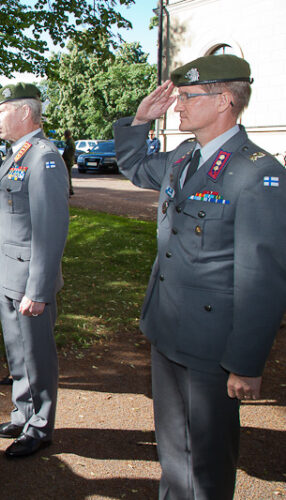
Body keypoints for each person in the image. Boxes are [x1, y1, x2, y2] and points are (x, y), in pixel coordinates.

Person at [113, 54, 286, 498]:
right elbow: (134, 168)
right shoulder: (185, 156)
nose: (178, 106)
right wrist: (138, 120)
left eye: (188, 97)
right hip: (167, 326)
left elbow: (262, 277)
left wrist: (245, 362)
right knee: (174, 450)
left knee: (206, 459)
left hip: (212, 342)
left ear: (225, 100)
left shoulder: (257, 172)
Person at [0, 83, 70, 458]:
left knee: (37, 355)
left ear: (25, 112)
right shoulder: (19, 154)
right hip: (8, 274)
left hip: (30, 279)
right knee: (17, 353)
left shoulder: (44, 158)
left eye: (1, 110)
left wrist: (39, 289)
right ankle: (23, 412)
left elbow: (51, 230)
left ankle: (40, 426)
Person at [62, 130, 76, 196]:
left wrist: (62, 158)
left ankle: (69, 190)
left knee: (67, 177)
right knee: (68, 176)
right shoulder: (70, 142)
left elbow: (67, 154)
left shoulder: (69, 142)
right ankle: (70, 190)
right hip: (68, 161)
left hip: (67, 162)